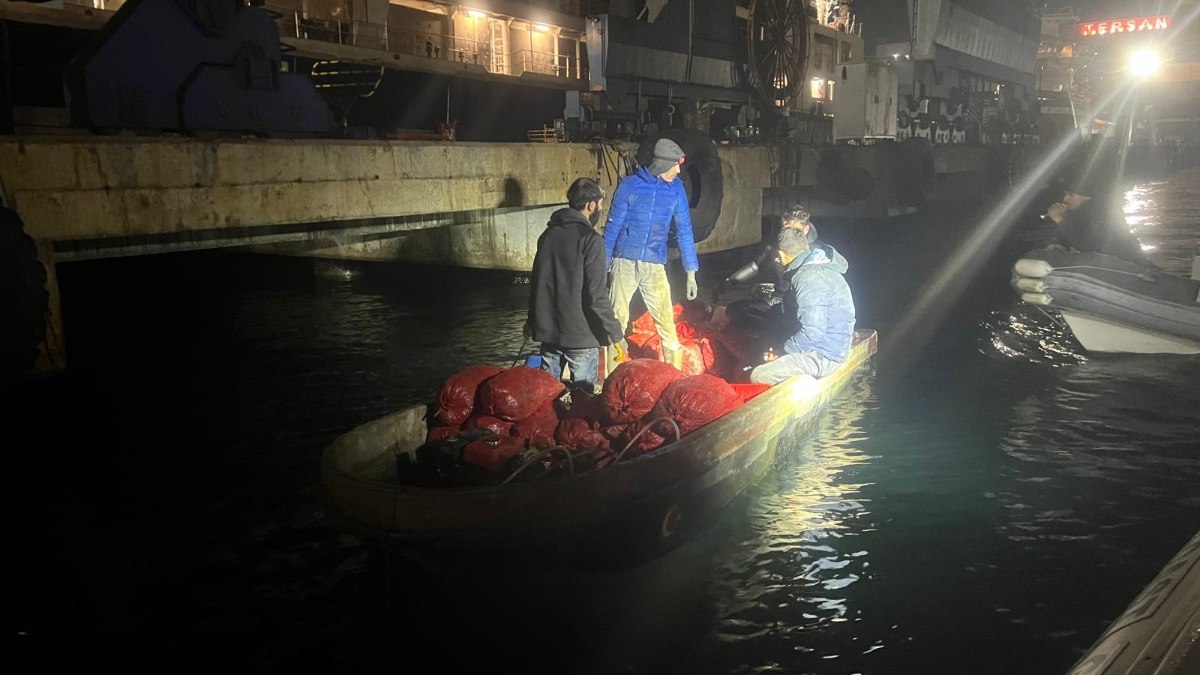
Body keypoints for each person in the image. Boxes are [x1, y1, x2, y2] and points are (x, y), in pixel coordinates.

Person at [603, 138, 700, 370]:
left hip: (654, 264)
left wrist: (691, 271)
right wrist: (603, 263)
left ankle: (674, 374)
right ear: (663, 164)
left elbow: (685, 230)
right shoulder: (630, 185)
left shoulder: (676, 190)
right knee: (616, 319)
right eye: (675, 165)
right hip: (624, 261)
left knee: (666, 321)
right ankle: (610, 374)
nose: (679, 171)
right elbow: (612, 226)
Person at [524, 178, 627, 388]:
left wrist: (531, 322)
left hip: (549, 335)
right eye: (600, 204)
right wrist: (616, 334)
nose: (600, 209)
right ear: (591, 205)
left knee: (547, 395)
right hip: (581, 338)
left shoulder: (547, 236)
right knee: (583, 397)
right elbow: (596, 295)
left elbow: (537, 284)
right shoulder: (591, 240)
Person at [750, 227, 856, 385]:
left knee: (758, 375)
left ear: (781, 255)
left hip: (824, 356)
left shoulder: (807, 278)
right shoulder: (821, 266)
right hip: (830, 345)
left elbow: (812, 333)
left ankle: (796, 385)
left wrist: (781, 351)